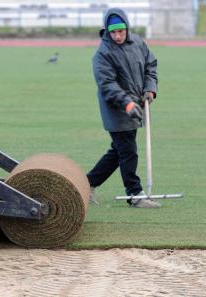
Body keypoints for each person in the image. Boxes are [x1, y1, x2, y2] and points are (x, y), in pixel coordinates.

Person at [87, 7, 159, 208]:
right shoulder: (102, 54)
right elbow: (107, 84)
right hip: (116, 109)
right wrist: (127, 103)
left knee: (118, 151)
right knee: (128, 151)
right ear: (107, 31)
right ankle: (134, 194)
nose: (117, 36)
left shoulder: (138, 42)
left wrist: (150, 89)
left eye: (121, 31)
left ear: (127, 27)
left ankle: (87, 184)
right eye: (113, 32)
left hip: (137, 105)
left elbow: (150, 66)